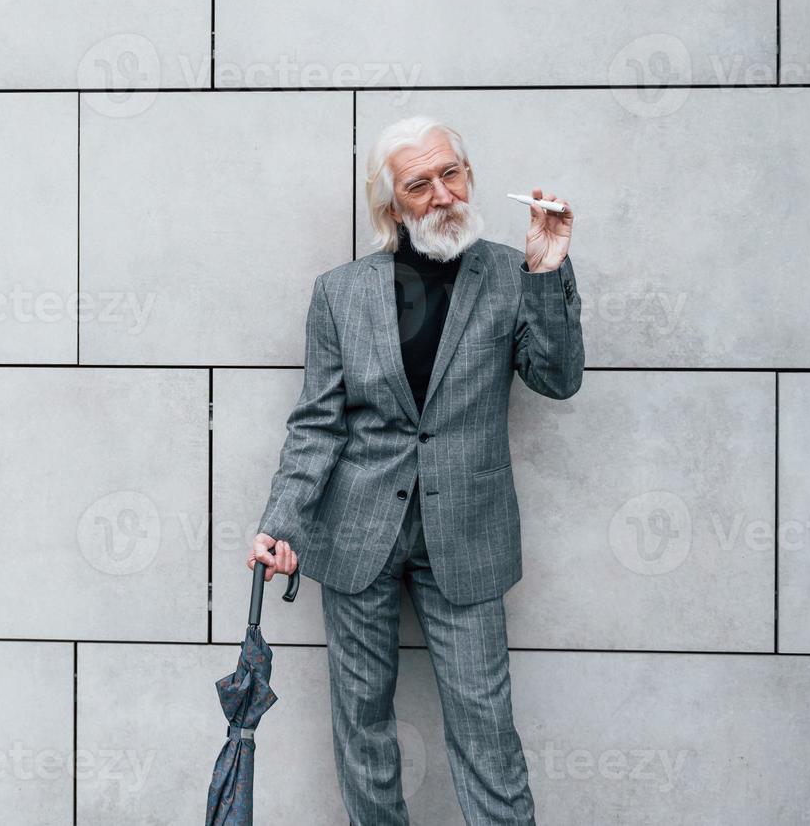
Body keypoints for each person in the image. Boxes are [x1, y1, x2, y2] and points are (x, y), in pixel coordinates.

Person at [247, 116, 584, 825]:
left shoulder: (508, 272)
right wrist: (282, 523)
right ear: (392, 203)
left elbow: (557, 380)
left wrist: (547, 274)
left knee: (486, 732)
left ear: (468, 175)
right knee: (362, 729)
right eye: (419, 183)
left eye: (450, 174)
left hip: (468, 532)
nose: (441, 194)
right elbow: (317, 422)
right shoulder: (340, 292)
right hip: (354, 532)